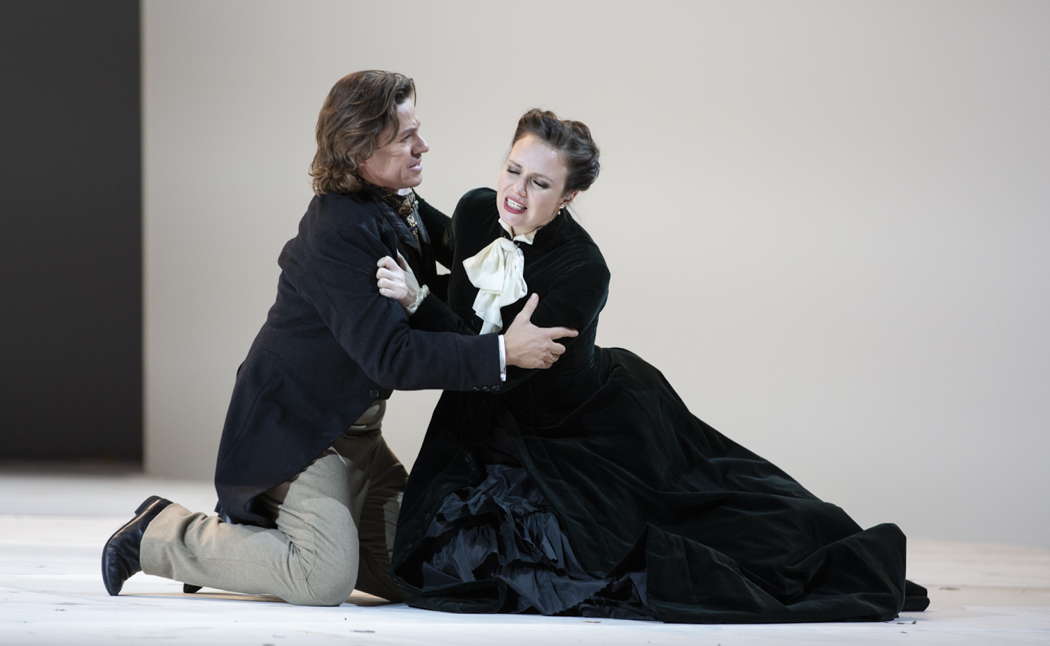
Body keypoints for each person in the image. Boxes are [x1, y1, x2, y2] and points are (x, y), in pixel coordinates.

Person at [378, 109, 931, 622]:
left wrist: (418, 303)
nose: (516, 192)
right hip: (486, 413)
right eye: (513, 170)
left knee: (706, 521)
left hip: (572, 425)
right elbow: (449, 257)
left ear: (568, 195)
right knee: (439, 558)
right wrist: (392, 195)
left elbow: (492, 371)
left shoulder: (583, 270)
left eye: (539, 183)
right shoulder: (479, 208)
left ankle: (821, 541)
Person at [100, 71, 576, 606]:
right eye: (404, 137)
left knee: (423, 575)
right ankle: (162, 533)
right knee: (322, 578)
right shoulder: (337, 232)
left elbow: (477, 258)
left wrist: (544, 215)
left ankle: (241, 553)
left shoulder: (401, 203)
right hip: (301, 435)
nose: (423, 146)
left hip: (361, 440)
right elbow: (392, 357)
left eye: (417, 130)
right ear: (358, 150)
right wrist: (502, 353)